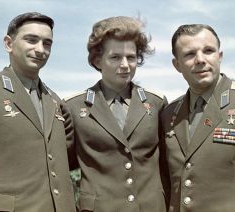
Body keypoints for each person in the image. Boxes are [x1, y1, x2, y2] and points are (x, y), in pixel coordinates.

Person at [0, 12, 76, 212]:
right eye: (31, 40)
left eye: (47, 43)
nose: (40, 49)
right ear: (8, 44)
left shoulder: (56, 102)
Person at [161, 24, 235, 212]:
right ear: (177, 65)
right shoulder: (169, 113)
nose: (200, 60)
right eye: (190, 54)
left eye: (208, 51)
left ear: (219, 56)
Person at [65, 16, 168, 212]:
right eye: (115, 57)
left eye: (131, 57)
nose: (125, 64)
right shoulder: (74, 107)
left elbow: (167, 163)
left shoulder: (156, 103)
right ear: (97, 60)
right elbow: (63, 168)